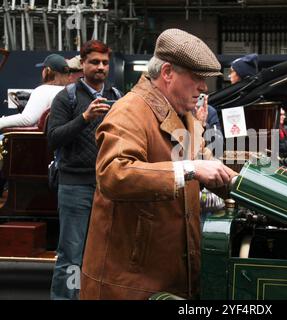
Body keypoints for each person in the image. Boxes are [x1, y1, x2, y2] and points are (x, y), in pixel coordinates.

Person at [80, 28, 237, 300]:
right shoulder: (130, 111)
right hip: (128, 284)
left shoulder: (184, 116)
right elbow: (114, 173)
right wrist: (190, 169)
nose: (203, 87)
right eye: (197, 77)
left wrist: (248, 186)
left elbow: (209, 165)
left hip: (168, 278)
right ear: (167, 73)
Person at [47, 40, 122, 300]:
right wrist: (84, 118)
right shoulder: (66, 97)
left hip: (108, 186)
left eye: (104, 63)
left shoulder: (117, 96)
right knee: (71, 255)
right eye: (94, 62)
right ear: (83, 64)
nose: (100, 67)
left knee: (104, 253)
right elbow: (53, 138)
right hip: (74, 187)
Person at [0, 54, 71, 130]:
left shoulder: (43, 90)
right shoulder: (69, 90)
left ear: (48, 71)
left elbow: (27, 119)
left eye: (44, 68)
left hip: (41, 140)